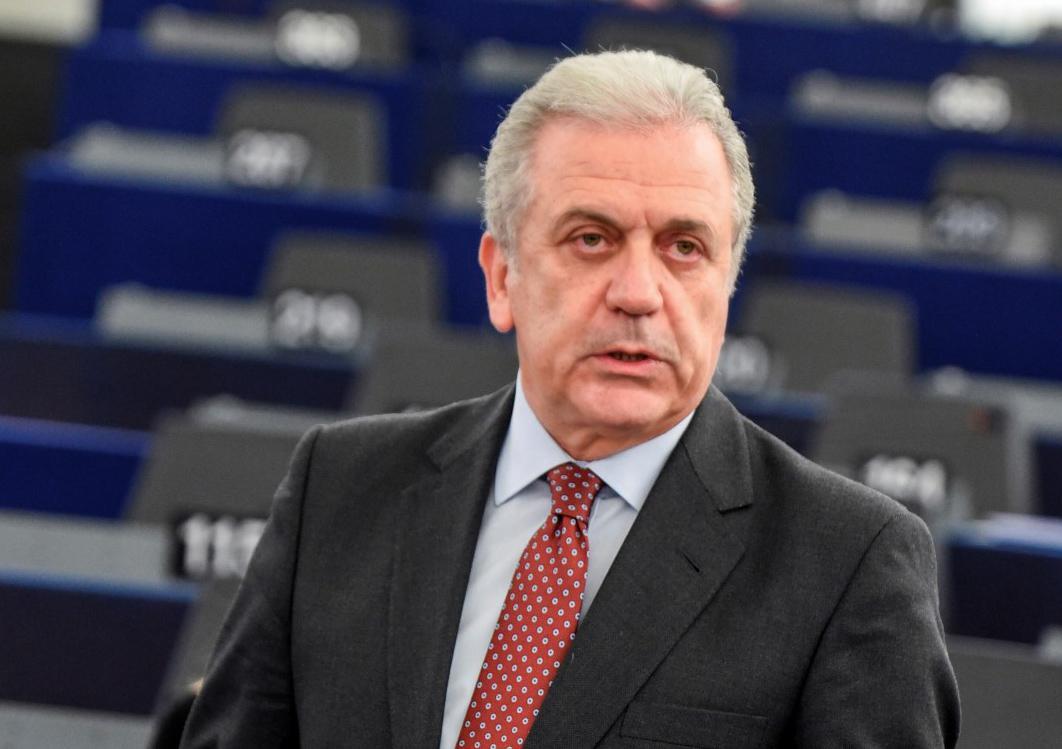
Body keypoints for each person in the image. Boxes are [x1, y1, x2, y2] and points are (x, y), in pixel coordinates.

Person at [180, 50, 959, 748]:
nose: (638, 292)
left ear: (726, 287)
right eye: (592, 238)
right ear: (501, 276)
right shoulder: (339, 488)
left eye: (685, 248)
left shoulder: (848, 562)